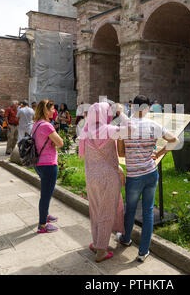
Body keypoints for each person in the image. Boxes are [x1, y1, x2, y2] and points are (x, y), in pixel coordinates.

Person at [119, 95, 179, 262]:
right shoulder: (154, 125)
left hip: (133, 175)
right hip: (151, 173)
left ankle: (125, 239)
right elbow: (175, 139)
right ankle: (143, 251)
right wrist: (158, 154)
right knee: (148, 211)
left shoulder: (124, 126)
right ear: (146, 108)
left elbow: (121, 153)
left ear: (132, 107)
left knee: (130, 210)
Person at [78, 102, 130, 262]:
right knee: (107, 212)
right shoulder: (108, 130)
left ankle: (96, 243)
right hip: (108, 177)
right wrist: (121, 113)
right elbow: (131, 129)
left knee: (95, 211)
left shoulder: (86, 131)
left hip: (91, 177)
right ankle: (101, 250)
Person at [32, 99, 64, 234]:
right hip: (48, 164)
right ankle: (43, 225)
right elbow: (60, 143)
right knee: (46, 195)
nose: (54, 111)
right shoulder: (47, 126)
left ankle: (45, 215)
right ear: (46, 110)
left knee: (46, 192)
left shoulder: (36, 124)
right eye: (52, 109)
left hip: (39, 163)